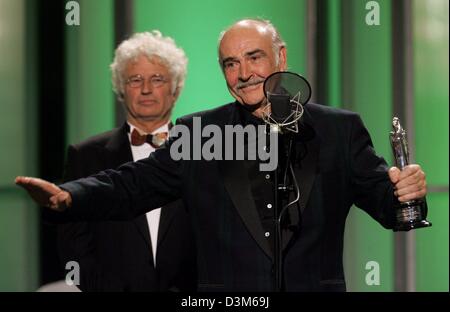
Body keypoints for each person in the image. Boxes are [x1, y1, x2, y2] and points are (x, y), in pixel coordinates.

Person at [16, 19, 427, 292]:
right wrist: (69, 196)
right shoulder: (201, 133)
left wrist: (406, 194)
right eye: (231, 63)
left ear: (281, 58)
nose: (244, 73)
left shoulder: (338, 130)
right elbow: (131, 183)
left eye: (254, 57)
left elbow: (390, 207)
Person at [56, 31, 197, 291]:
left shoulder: (198, 152)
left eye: (157, 79)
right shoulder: (85, 155)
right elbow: (73, 246)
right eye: (135, 80)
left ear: (175, 89)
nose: (146, 89)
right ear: (121, 90)